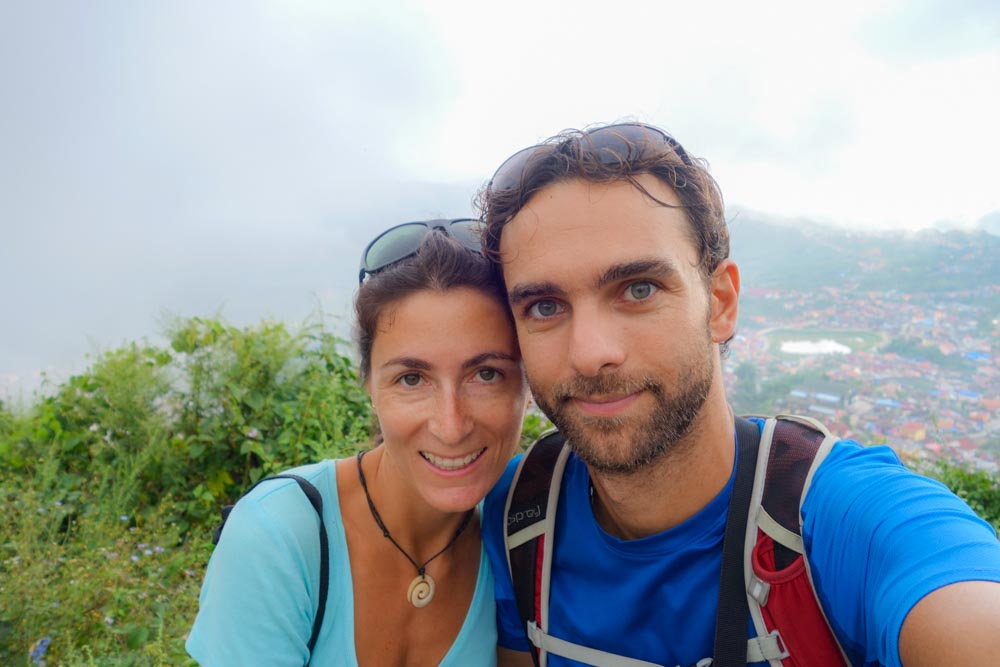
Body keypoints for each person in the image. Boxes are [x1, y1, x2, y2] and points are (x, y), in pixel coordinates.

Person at [476, 123, 1000, 667]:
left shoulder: (838, 523)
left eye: (639, 289)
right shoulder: (520, 515)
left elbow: (965, 609)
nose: (590, 353)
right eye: (544, 306)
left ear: (720, 303)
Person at [187, 219, 529, 666]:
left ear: (528, 383)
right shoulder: (280, 536)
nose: (451, 425)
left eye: (486, 374)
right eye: (411, 378)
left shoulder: (526, 527)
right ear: (368, 384)